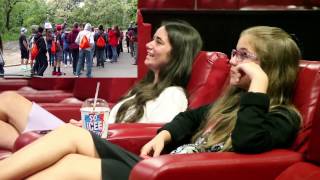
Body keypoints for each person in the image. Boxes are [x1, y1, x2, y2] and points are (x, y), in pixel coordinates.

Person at [0, 25, 301, 179]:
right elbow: (191, 119)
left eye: (244, 56)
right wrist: (164, 135)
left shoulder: (283, 116)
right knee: (71, 136)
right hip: (160, 164)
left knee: (72, 166)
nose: (235, 61)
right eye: (234, 53)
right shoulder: (230, 104)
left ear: (269, 68)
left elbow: (248, 141)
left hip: (176, 174)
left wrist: (259, 88)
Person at [0, 21, 202, 151]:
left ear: (176, 54)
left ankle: (29, 150)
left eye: (158, 42)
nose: (148, 45)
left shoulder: (173, 96)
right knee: (8, 99)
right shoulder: (142, 87)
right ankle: (27, 150)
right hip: (86, 136)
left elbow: (150, 139)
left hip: (94, 147)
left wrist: (91, 131)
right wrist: (86, 126)